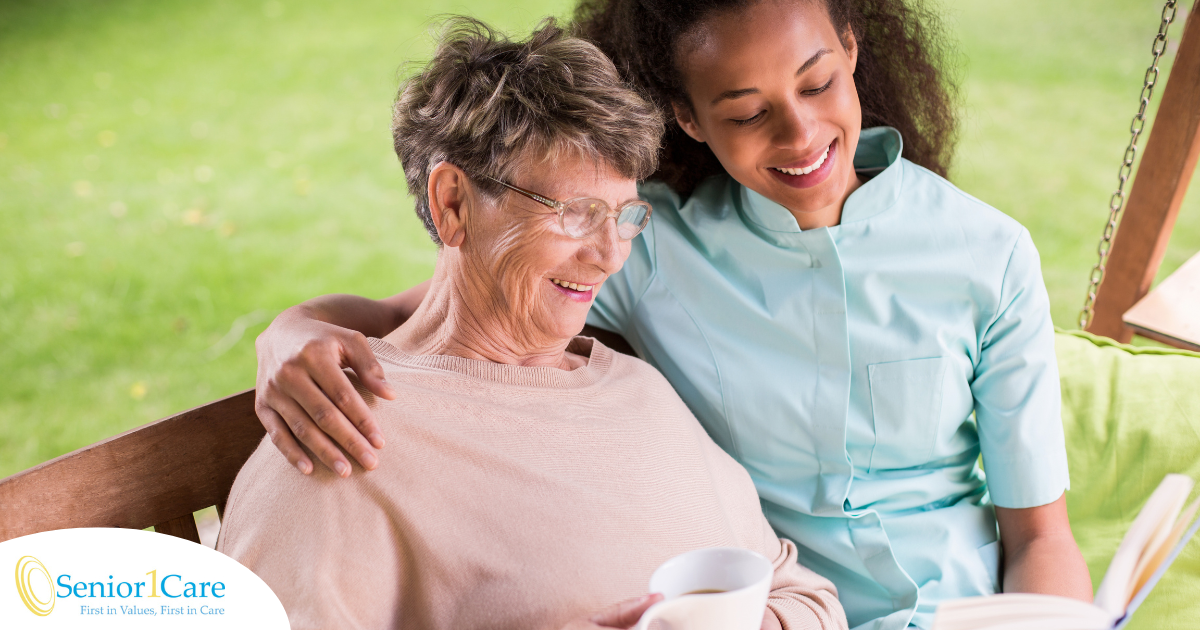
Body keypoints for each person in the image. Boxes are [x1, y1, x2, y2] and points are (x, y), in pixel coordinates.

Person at [250, 1, 1095, 628]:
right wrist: (289, 334)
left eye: (819, 83)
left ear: (852, 51)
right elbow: (436, 312)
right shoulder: (656, 251)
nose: (801, 135)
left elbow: (1031, 536)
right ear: (691, 119)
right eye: (746, 111)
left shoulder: (987, 253)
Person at [219, 18, 847, 630]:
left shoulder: (638, 392)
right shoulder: (339, 437)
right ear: (453, 204)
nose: (609, 255)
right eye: (576, 213)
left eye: (626, 217)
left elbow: (804, 595)